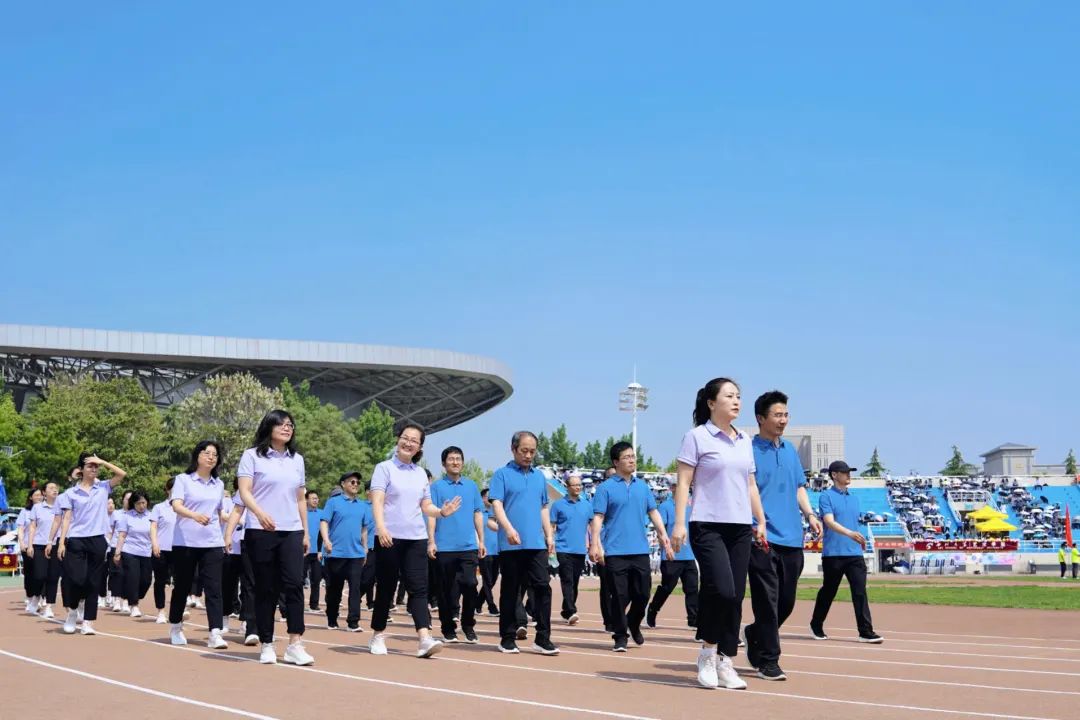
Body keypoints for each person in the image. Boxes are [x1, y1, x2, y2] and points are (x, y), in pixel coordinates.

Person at [670, 377, 766, 690]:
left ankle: (726, 661)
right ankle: (708, 653)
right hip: (707, 524)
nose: (736, 401)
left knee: (735, 595)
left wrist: (760, 520)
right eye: (729, 396)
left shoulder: (745, 440)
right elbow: (684, 482)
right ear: (712, 403)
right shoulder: (696, 437)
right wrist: (679, 523)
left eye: (738, 396)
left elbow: (750, 484)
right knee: (722, 590)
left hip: (740, 527)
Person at [743, 390, 823, 681]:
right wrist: (754, 522)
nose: (783, 420)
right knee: (766, 601)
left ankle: (754, 633)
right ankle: (769, 660)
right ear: (760, 418)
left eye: (786, 414)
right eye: (777, 415)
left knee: (785, 603)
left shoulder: (790, 450)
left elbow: (799, 487)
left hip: (792, 537)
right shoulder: (747, 450)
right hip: (761, 537)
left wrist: (810, 514)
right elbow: (746, 489)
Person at [368, 421, 461, 659]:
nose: (408, 443)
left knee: (419, 589)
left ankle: (424, 638)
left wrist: (441, 512)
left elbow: (426, 505)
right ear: (398, 440)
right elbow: (377, 500)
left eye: (414, 441)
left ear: (419, 447)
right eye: (405, 438)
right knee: (386, 587)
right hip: (389, 537)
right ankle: (378, 634)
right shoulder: (384, 468)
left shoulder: (420, 474)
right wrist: (381, 528)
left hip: (416, 538)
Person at [236, 411, 315, 665]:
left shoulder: (297, 459)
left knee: (294, 584)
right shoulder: (252, 456)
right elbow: (244, 492)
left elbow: (300, 498)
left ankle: (295, 643)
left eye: (290, 424)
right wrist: (260, 514)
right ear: (268, 427)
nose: (287, 428)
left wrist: (306, 532)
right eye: (281, 424)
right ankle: (267, 643)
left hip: (291, 530)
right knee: (266, 588)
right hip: (261, 530)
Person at [590, 442, 672, 652]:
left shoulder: (642, 487)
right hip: (615, 551)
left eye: (633, 456)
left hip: (640, 550)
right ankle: (620, 635)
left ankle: (633, 622)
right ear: (616, 462)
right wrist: (595, 544)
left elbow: (653, 512)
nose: (632, 460)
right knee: (619, 596)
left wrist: (664, 535)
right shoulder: (605, 488)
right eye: (626, 457)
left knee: (643, 594)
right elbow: (598, 518)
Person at [489, 431, 559, 655]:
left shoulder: (539, 477)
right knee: (511, 590)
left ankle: (543, 638)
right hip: (511, 544)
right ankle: (507, 638)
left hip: (536, 544)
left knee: (543, 587)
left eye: (532, 451)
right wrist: (508, 529)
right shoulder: (501, 475)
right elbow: (497, 505)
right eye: (524, 451)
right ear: (513, 449)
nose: (528, 455)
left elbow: (543, 508)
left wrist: (549, 536)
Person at [46, 452, 127, 635]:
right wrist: (61, 542)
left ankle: (88, 622)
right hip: (76, 539)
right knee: (76, 579)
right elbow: (66, 519)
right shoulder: (70, 493)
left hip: (97, 539)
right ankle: (73, 611)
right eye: (90, 466)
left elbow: (121, 474)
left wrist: (103, 461)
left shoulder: (103, 488)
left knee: (93, 581)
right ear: (81, 469)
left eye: (96, 466)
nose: (94, 469)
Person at [809, 460, 883, 644]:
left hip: (854, 554)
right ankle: (816, 624)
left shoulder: (854, 498)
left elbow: (852, 523)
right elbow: (829, 521)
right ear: (834, 475)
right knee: (829, 591)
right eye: (845, 472)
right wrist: (850, 534)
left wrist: (856, 537)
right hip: (833, 554)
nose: (849, 475)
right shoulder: (826, 496)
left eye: (849, 472)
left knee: (860, 592)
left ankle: (865, 631)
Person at [167, 440, 228, 649]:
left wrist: (235, 519)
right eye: (207, 453)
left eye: (215, 454)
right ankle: (176, 626)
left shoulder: (219, 484)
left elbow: (220, 512)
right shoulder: (183, 480)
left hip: (212, 541)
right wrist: (194, 515)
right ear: (197, 456)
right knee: (182, 586)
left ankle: (215, 632)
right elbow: (176, 505)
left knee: (214, 588)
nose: (211, 457)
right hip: (185, 542)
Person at [428, 446, 485, 644]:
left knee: (470, 584)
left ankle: (468, 625)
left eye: (458, 458)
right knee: (445, 590)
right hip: (444, 547)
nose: (455, 462)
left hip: (468, 546)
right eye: (451, 459)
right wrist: (431, 541)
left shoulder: (471, 486)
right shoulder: (436, 487)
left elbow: (478, 513)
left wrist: (481, 540)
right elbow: (431, 515)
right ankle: (448, 628)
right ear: (444, 464)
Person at [320, 471, 374, 632]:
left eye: (357, 482)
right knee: (334, 589)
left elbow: (364, 528)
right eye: (352, 482)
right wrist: (326, 540)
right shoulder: (333, 502)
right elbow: (324, 522)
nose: (355, 485)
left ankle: (353, 622)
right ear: (343, 484)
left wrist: (365, 548)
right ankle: (332, 618)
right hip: (335, 553)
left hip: (356, 554)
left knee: (355, 588)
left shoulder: (362, 506)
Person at [646, 481, 699, 632]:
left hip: (689, 555)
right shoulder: (665, 507)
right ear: (672, 488)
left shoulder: (692, 506)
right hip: (671, 556)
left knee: (692, 588)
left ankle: (693, 620)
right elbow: (660, 529)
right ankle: (653, 609)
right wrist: (666, 548)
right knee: (667, 587)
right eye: (677, 485)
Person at [549, 474, 592, 625]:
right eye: (575, 485)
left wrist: (593, 544)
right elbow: (552, 526)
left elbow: (592, 526)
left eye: (580, 485)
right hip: (563, 548)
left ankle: (566, 610)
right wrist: (550, 542)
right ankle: (571, 610)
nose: (578, 487)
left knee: (574, 582)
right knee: (567, 580)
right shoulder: (558, 505)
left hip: (580, 550)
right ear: (567, 487)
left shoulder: (587, 505)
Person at [113, 489, 155, 618]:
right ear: (133, 504)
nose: (141, 506)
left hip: (146, 552)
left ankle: (132, 596)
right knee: (133, 578)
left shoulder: (152, 516)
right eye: (138, 503)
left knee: (146, 580)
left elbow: (155, 534)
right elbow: (122, 535)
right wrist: (117, 553)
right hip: (130, 551)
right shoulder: (127, 516)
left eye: (143, 503)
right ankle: (134, 605)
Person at [26, 482, 62, 618]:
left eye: (56, 488)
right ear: (44, 492)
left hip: (56, 545)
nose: (55, 490)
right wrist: (30, 545)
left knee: (53, 577)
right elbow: (32, 527)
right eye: (51, 488)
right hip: (39, 545)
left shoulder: (63, 507)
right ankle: (36, 596)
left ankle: (48, 606)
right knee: (39, 575)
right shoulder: (37, 507)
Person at [149, 478, 178, 624]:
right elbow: (153, 527)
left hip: (180, 549)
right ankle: (161, 610)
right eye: (172, 489)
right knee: (160, 581)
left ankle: (178, 609)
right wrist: (155, 543)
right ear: (167, 490)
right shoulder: (159, 508)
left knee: (181, 581)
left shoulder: (185, 508)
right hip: (162, 549)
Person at [475, 489, 500, 616]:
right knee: (487, 580)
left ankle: (478, 603)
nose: (491, 499)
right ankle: (491, 606)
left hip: (497, 551)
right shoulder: (478, 513)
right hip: (484, 550)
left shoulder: (497, 513)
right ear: (483, 498)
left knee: (493, 580)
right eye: (488, 497)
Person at [17, 489, 43, 613]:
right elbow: (21, 529)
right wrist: (22, 543)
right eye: (36, 495)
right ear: (31, 498)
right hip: (28, 545)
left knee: (41, 572)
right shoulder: (25, 512)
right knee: (30, 572)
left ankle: (40, 596)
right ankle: (30, 596)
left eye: (40, 495)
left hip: (42, 546)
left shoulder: (47, 510)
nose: (39, 497)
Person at [304, 490, 323, 611]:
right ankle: (298, 603)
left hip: (317, 552)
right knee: (299, 579)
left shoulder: (322, 513)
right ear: (306, 500)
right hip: (303, 551)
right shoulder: (302, 513)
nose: (316, 500)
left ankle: (314, 604)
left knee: (316, 579)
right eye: (313, 498)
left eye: (317, 498)